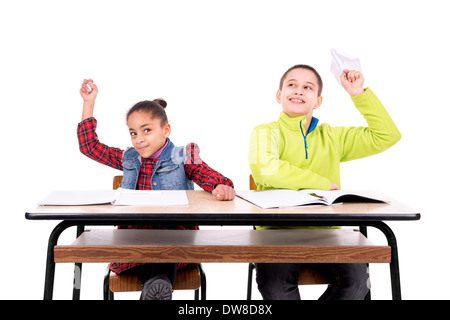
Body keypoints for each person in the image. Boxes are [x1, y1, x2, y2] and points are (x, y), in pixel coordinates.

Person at [248, 64, 401, 300]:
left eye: (307, 87)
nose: (299, 91)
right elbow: (267, 171)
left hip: (326, 230)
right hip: (276, 231)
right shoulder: (266, 132)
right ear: (279, 95)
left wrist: (358, 93)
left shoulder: (332, 137)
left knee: (358, 283)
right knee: (277, 288)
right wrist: (320, 183)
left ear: (317, 101)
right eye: (292, 85)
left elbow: (387, 136)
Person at [78, 79, 235, 300]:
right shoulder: (128, 157)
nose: (139, 139)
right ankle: (157, 287)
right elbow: (90, 146)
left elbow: (205, 173)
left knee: (165, 251)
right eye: (133, 133)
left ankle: (155, 287)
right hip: (134, 239)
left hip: (175, 238)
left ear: (165, 130)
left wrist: (220, 185)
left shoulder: (184, 154)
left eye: (147, 130)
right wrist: (89, 103)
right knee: (143, 255)